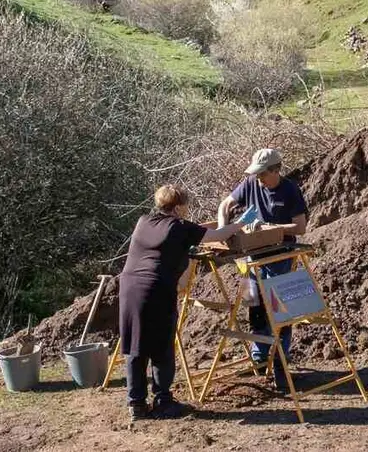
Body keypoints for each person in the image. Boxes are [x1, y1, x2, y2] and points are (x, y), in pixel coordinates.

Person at [119, 184, 243, 421]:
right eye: (185, 206)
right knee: (162, 345)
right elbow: (217, 236)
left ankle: (136, 404)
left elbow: (195, 231)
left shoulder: (144, 221)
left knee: (136, 345)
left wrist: (210, 226)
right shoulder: (179, 226)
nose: (187, 210)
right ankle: (163, 401)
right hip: (156, 289)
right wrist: (241, 224)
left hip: (130, 287)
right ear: (177, 208)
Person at [218, 148, 308, 389]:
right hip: (250, 255)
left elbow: (300, 228)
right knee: (253, 304)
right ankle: (259, 357)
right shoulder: (250, 183)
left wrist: (270, 228)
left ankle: (280, 361)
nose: (258, 178)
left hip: (279, 256)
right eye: (256, 174)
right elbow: (225, 204)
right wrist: (224, 230)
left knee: (280, 309)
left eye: (262, 174)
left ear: (276, 170)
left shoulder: (290, 190)